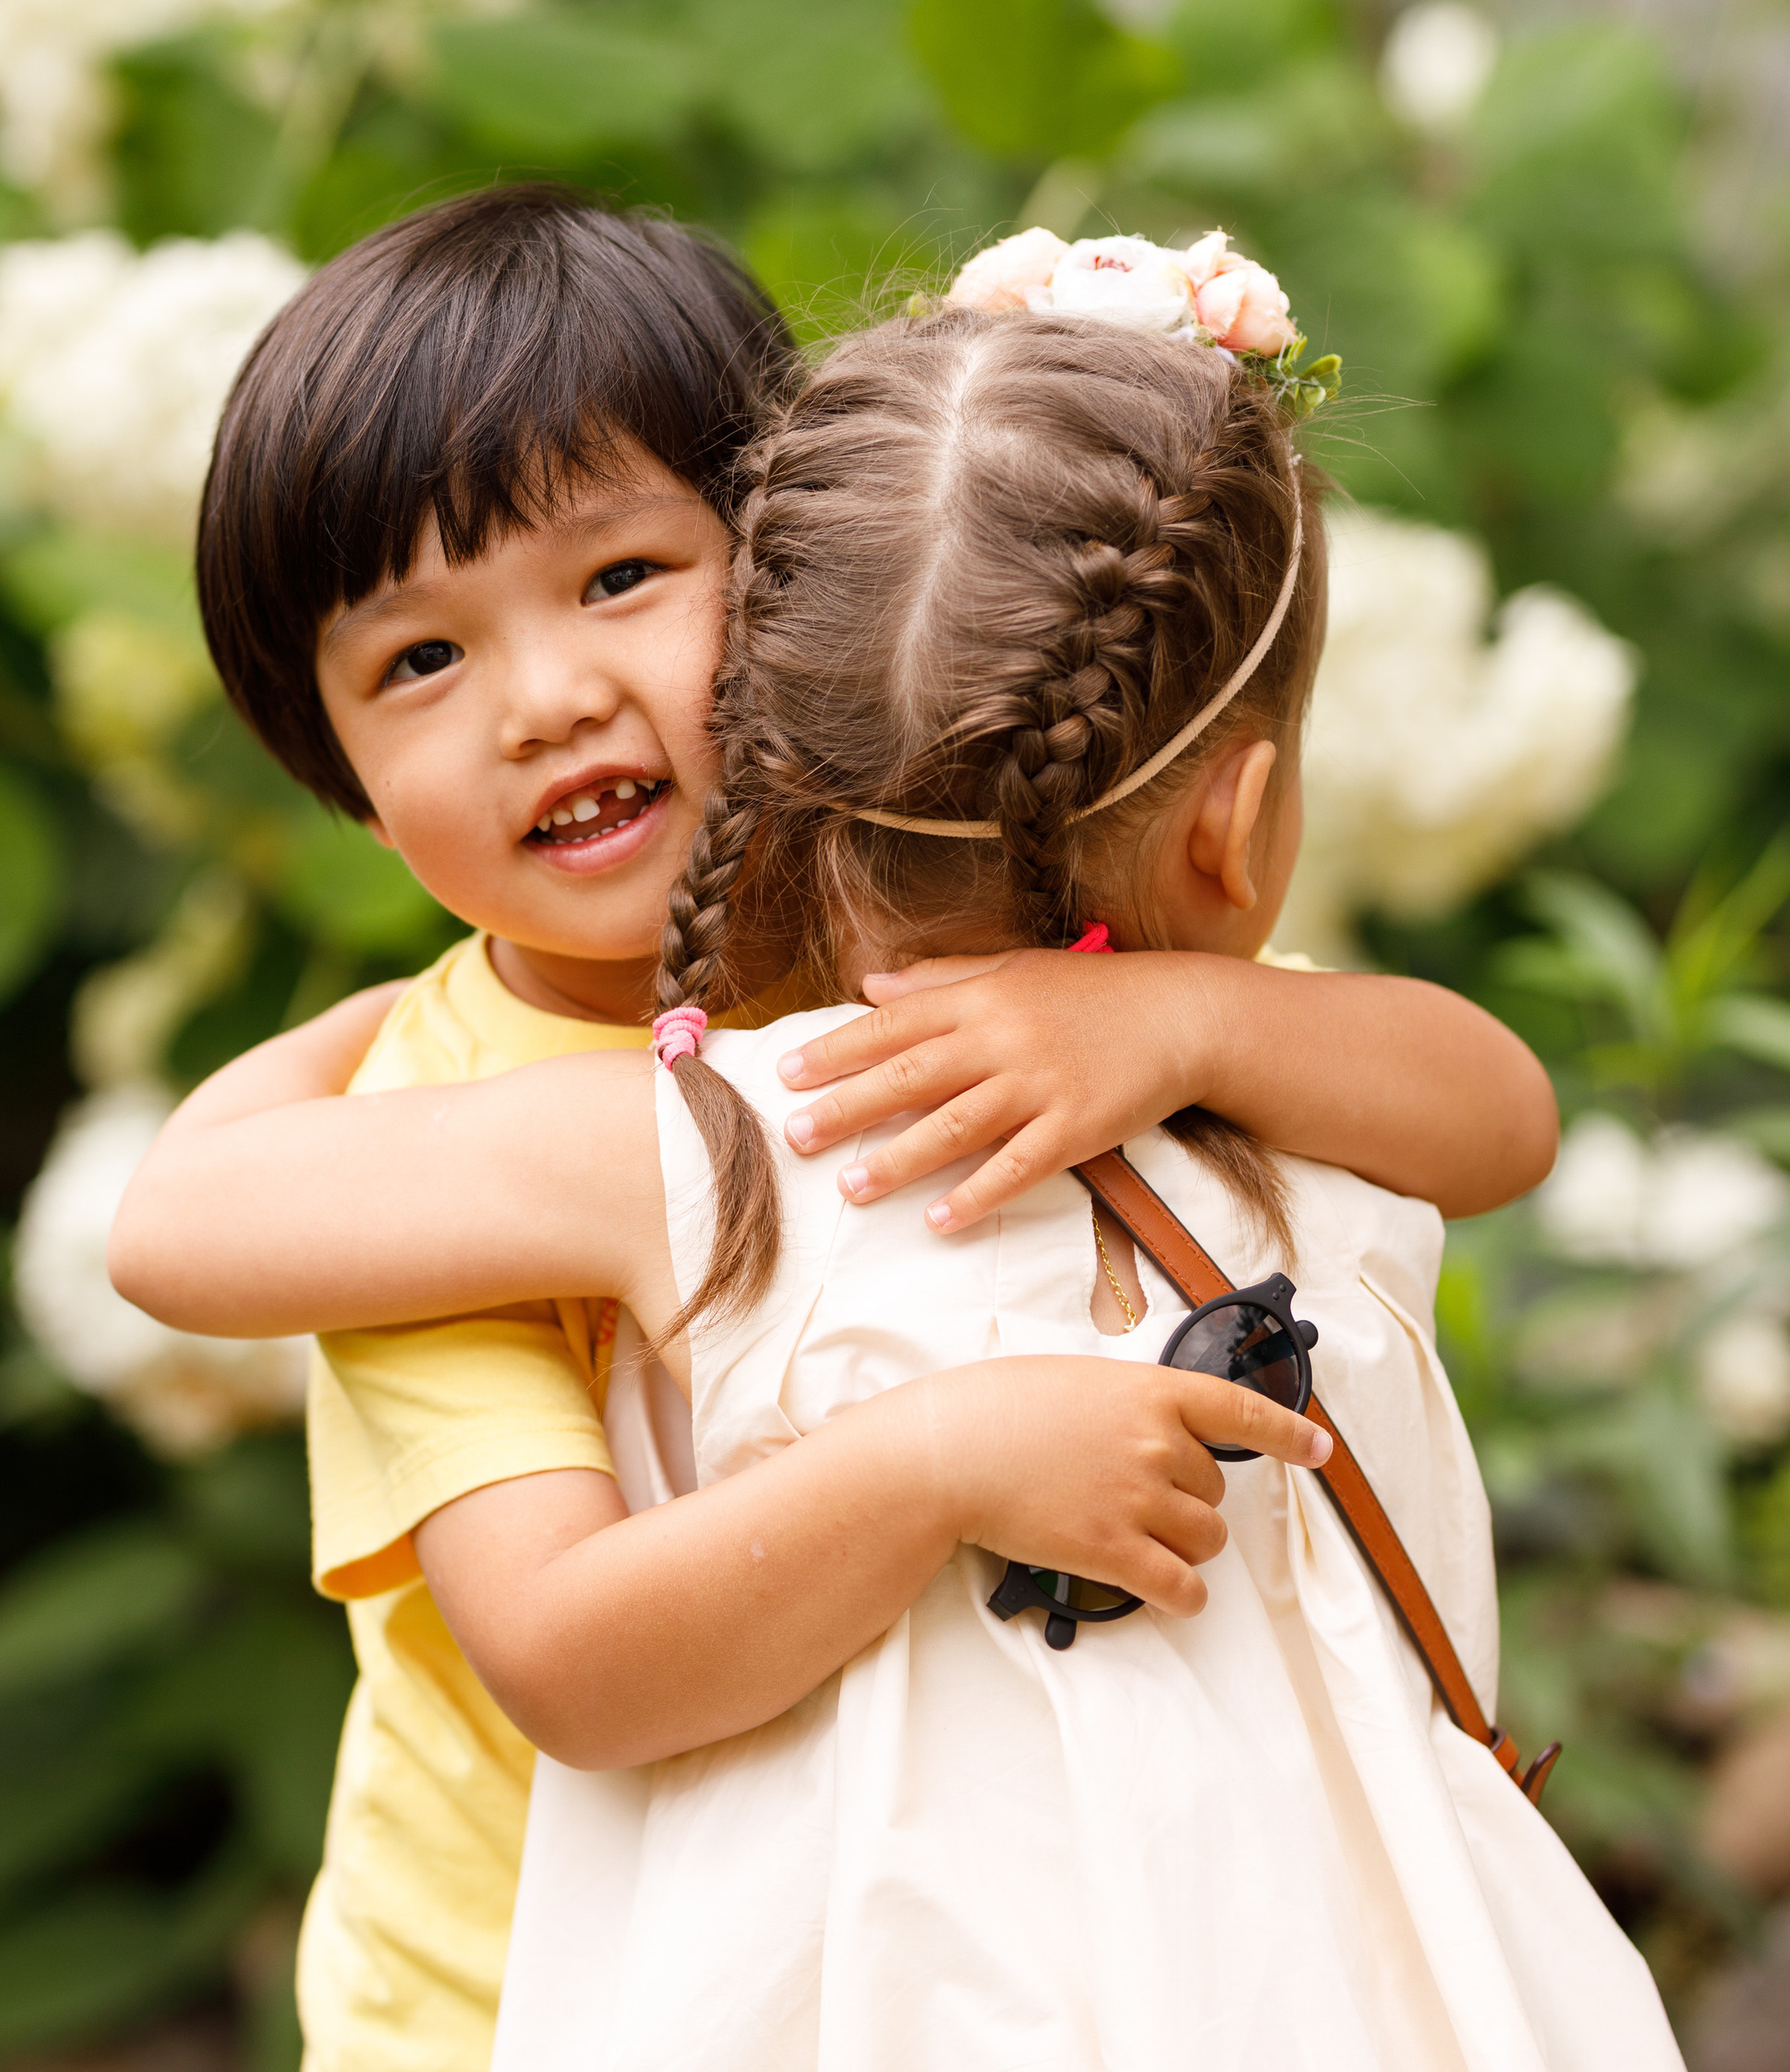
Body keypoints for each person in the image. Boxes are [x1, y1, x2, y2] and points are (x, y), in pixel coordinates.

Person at [160, 193, 1566, 2072]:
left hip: (943, 1956)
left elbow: (1490, 1118)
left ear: (803, 555)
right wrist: (933, 1464)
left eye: (619, 577)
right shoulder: (432, 1160)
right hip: (541, 1994)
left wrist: (1192, 1012)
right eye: (417, 660)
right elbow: (571, 1656)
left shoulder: (962, 919)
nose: (545, 696)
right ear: (325, 756)